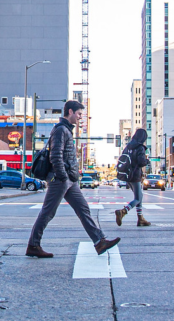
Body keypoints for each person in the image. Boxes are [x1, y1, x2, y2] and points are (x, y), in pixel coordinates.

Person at [27, 101, 120, 258]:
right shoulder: (60, 130)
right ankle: (33, 245)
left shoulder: (66, 131)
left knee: (83, 209)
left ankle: (99, 241)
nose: (80, 118)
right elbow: (55, 155)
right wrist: (62, 175)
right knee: (47, 212)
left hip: (70, 180)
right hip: (61, 179)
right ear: (70, 111)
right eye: (78, 114)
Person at [115, 128, 151, 227]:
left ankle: (140, 219)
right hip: (135, 175)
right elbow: (141, 162)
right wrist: (147, 161)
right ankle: (123, 211)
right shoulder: (140, 147)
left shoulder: (128, 146)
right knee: (138, 198)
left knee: (139, 197)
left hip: (127, 175)